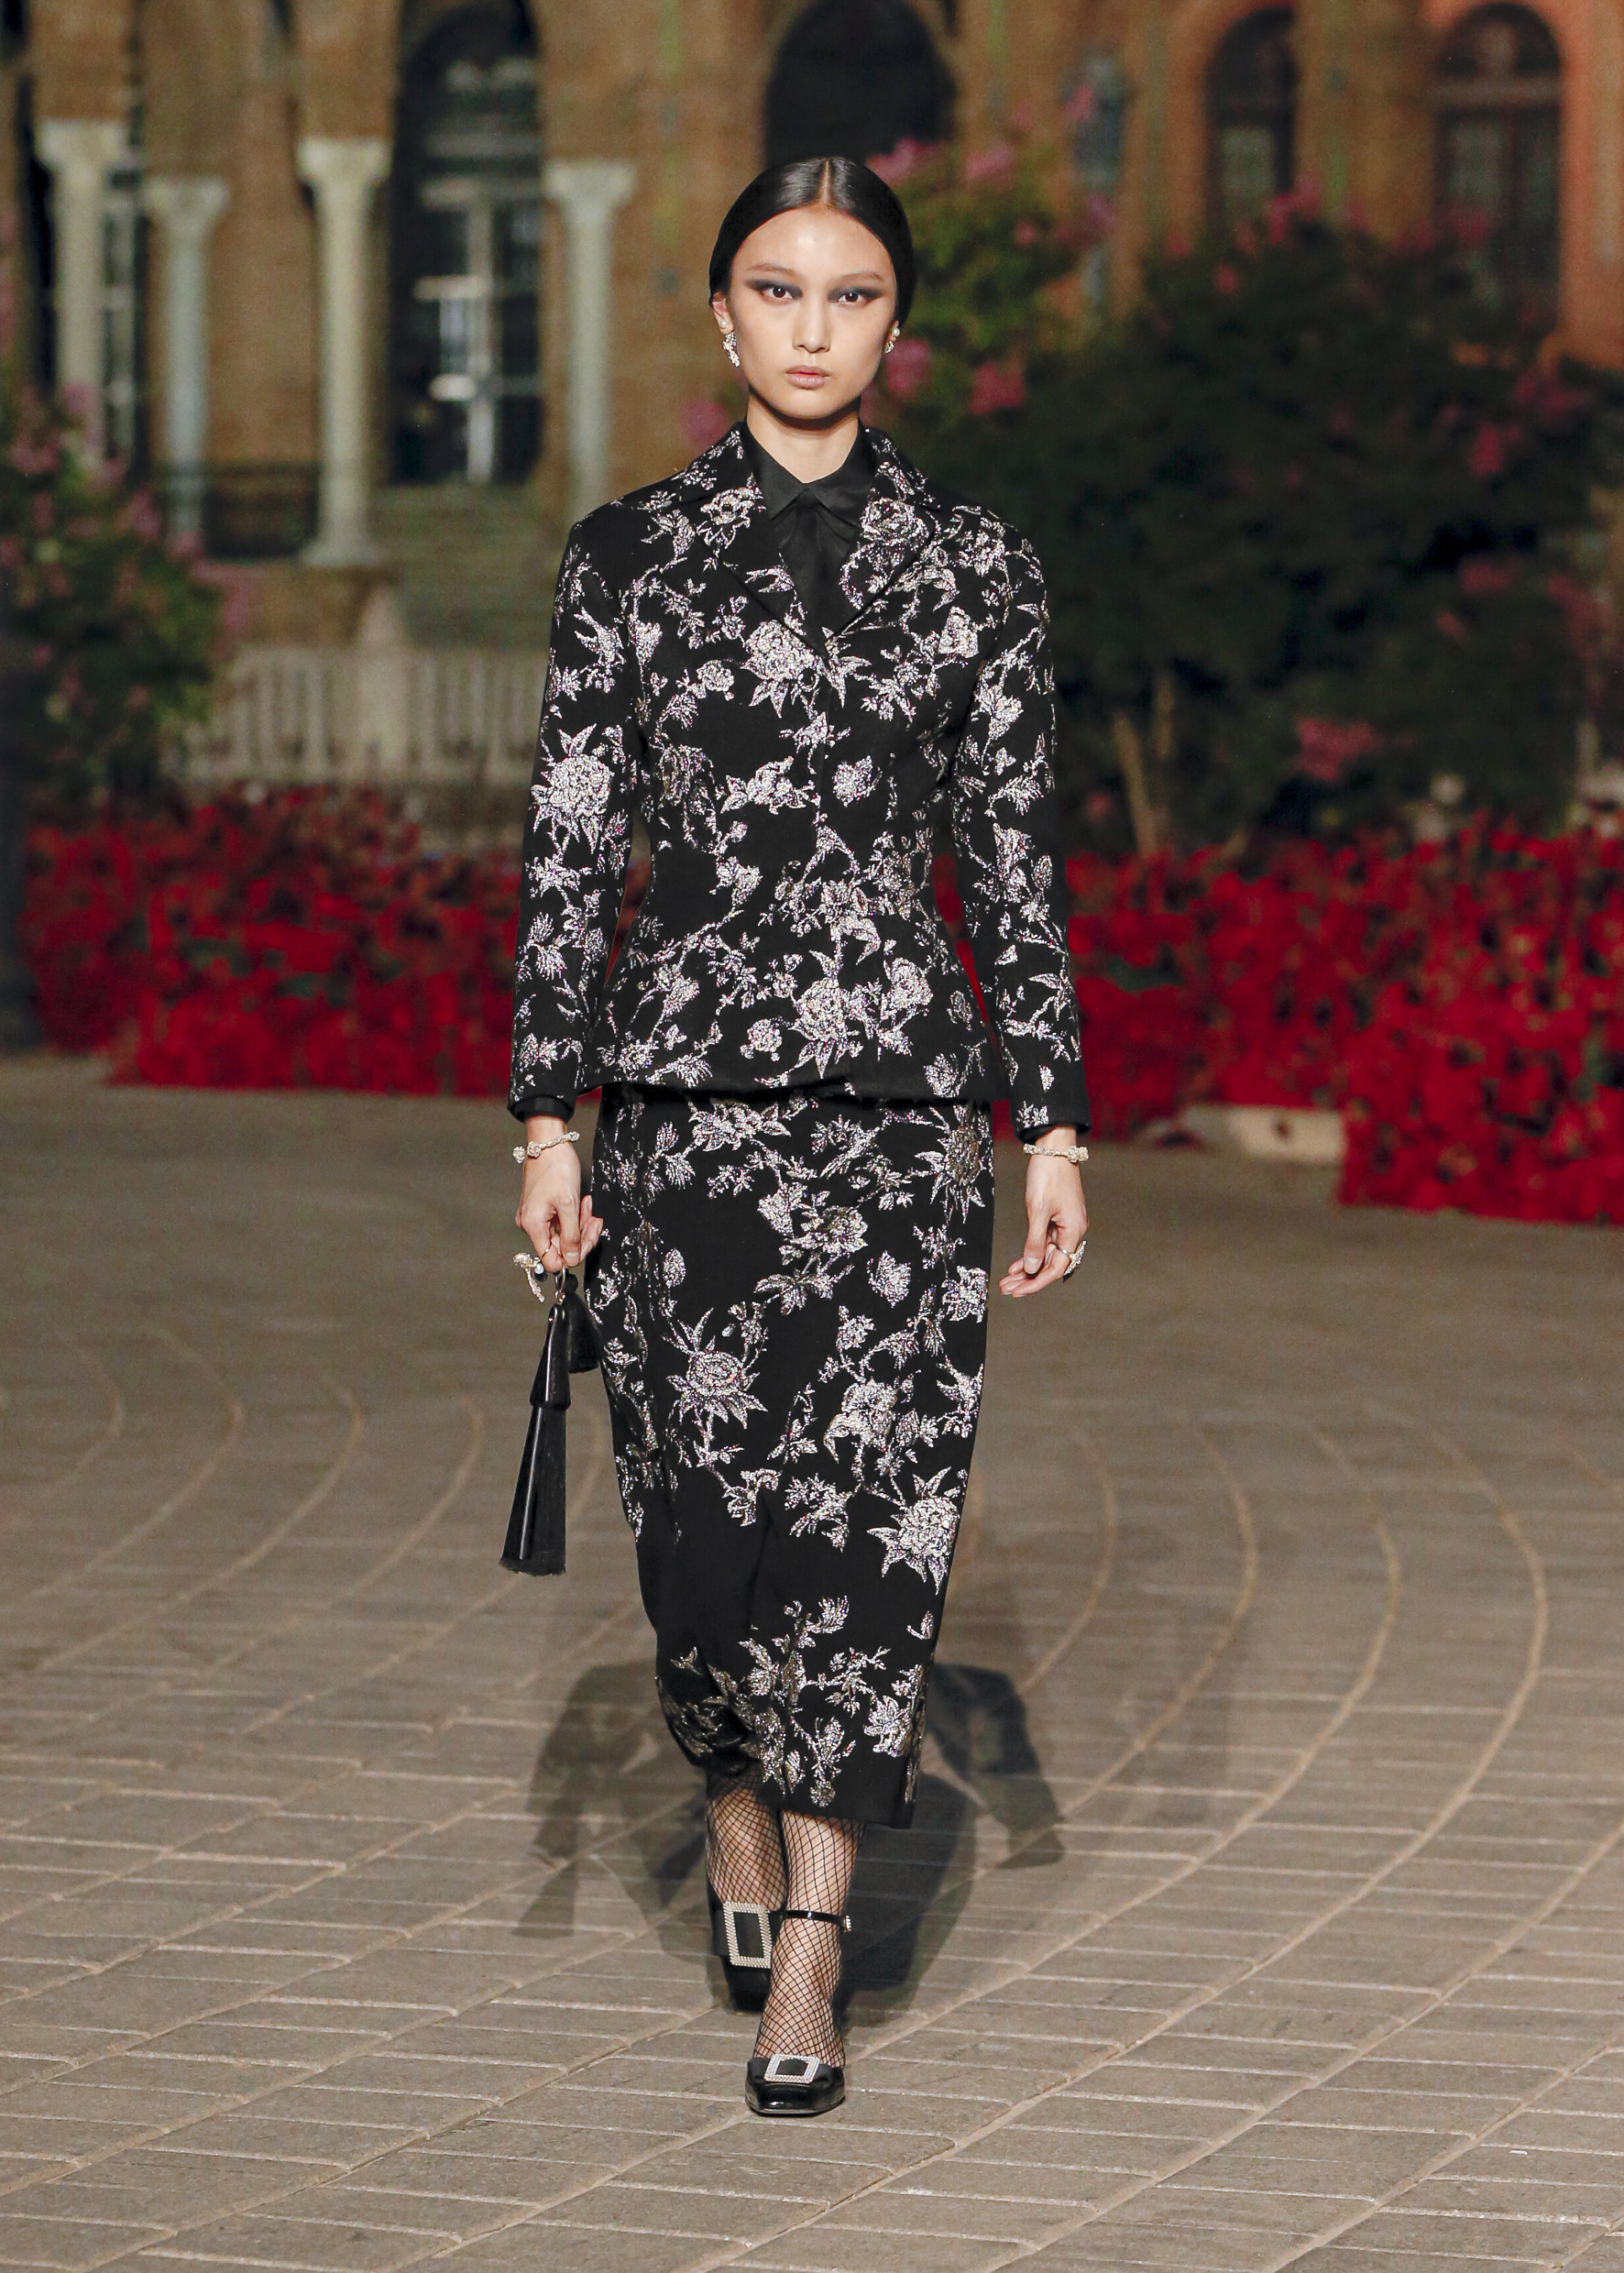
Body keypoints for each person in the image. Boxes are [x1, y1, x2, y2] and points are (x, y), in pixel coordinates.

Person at [510, 154, 1089, 2118]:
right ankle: (733, 1800)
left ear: (893, 325)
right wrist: (546, 1118)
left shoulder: (975, 562)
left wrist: (1052, 1124)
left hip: (902, 1114)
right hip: (682, 1115)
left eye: (851, 294)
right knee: (700, 1536)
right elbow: (571, 847)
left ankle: (819, 1946)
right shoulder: (628, 557)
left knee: (870, 1519)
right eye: (778, 288)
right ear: (722, 313)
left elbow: (1013, 857)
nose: (814, 326)